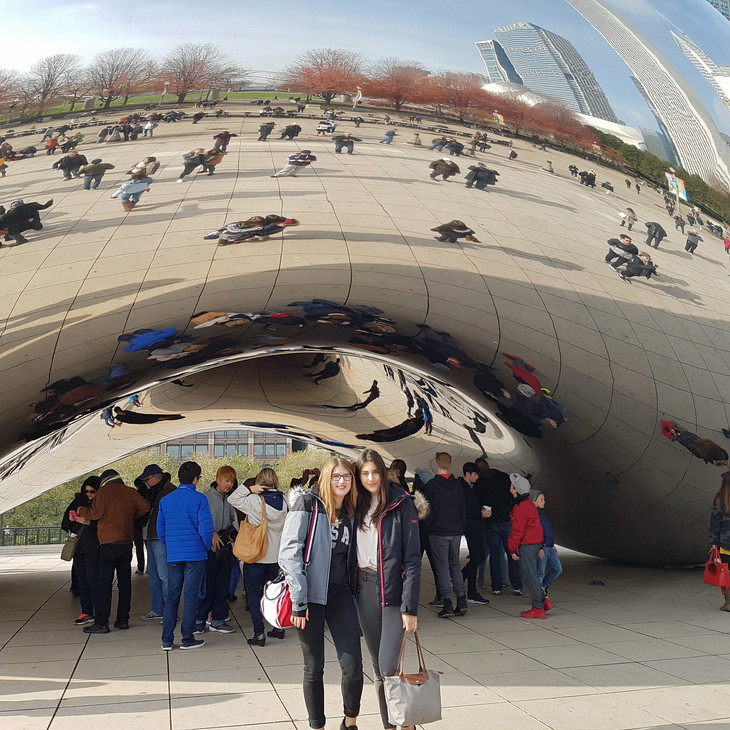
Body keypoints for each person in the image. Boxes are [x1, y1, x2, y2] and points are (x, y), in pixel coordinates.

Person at [278, 457, 363, 730]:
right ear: (326, 478)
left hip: (341, 594)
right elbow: (289, 553)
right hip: (310, 596)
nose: (342, 481)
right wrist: (299, 601)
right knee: (314, 668)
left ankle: (349, 722)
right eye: (336, 476)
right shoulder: (308, 504)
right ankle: (317, 726)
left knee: (353, 666)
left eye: (347, 477)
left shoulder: (352, 510)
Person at [354, 449, 422, 730]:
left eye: (375, 472)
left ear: (384, 473)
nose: (370, 478)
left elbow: (413, 559)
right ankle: (390, 725)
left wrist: (410, 607)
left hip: (393, 594)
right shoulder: (354, 504)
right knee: (378, 669)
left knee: (388, 667)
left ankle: (405, 723)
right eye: (364, 473)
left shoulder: (401, 503)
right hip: (364, 589)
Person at [73, 469, 150, 634]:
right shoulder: (130, 491)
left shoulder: (103, 492)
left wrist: (81, 510)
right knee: (125, 583)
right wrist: (130, 516)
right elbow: (145, 506)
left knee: (104, 584)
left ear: (105, 481)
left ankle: (102, 622)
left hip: (108, 543)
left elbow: (95, 514)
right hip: (126, 543)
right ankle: (123, 620)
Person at [228, 467, 289, 646]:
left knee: (254, 594)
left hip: (255, 556)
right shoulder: (285, 501)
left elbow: (233, 499)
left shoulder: (254, 500)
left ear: (259, 482)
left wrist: (248, 489)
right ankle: (278, 627)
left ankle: (259, 633)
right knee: (274, 594)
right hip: (276, 557)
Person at [157, 461, 214, 650]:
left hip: (174, 555)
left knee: (172, 597)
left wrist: (171, 545)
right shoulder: (200, 500)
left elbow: (160, 529)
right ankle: (187, 638)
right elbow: (206, 529)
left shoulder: (166, 500)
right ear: (196, 479)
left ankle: (166, 639)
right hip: (195, 555)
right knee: (191, 598)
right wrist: (204, 547)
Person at [422, 452, 468, 618]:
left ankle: (447, 601)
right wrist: (461, 526)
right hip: (455, 531)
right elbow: (462, 508)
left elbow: (428, 510)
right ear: (450, 464)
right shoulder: (457, 485)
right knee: (455, 564)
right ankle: (461, 599)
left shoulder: (432, 485)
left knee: (442, 567)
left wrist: (428, 529)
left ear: (436, 464)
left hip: (438, 532)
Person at [195, 466, 238, 635]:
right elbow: (199, 521)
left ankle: (219, 619)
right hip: (208, 549)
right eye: (227, 480)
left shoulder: (229, 500)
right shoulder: (205, 498)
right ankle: (199, 620)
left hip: (224, 547)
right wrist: (211, 534)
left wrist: (231, 535)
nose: (229, 484)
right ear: (218, 480)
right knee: (206, 585)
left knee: (222, 585)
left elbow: (230, 521)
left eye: (232, 481)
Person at [136, 465, 177, 622]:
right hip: (151, 536)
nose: (145, 482)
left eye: (147, 479)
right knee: (153, 575)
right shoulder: (155, 492)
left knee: (164, 575)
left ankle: (169, 611)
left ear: (156, 477)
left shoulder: (169, 491)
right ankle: (158, 609)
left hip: (160, 538)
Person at [476, 459, 522, 596]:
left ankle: (496, 586)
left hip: (491, 522)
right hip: (507, 520)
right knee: (512, 553)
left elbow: (478, 500)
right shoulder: (504, 477)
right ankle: (517, 586)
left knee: (495, 555)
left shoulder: (480, 482)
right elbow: (513, 494)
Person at [62, 476, 101, 625]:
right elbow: (65, 521)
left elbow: (105, 522)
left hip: (94, 548)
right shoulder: (79, 502)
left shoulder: (101, 503)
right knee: (83, 581)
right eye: (86, 491)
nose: (89, 494)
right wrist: (73, 520)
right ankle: (87, 612)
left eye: (93, 491)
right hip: (79, 548)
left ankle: (100, 613)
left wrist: (89, 522)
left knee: (94, 581)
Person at [507, 473, 545, 619]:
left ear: (515, 490)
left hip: (527, 544)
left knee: (530, 577)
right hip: (534, 542)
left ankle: (538, 608)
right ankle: (543, 601)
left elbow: (517, 531)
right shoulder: (528, 504)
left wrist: (512, 548)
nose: (509, 487)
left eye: (511, 486)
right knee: (532, 575)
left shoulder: (520, 507)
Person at [458, 462, 489, 605]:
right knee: (478, 556)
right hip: (471, 526)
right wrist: (479, 513)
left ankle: (460, 580)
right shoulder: (461, 488)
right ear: (468, 474)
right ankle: (471, 591)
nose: (477, 477)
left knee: (479, 556)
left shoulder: (470, 487)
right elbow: (463, 509)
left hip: (475, 525)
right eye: (475, 474)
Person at [534, 491, 561, 611]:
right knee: (540, 573)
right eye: (541, 499)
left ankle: (543, 588)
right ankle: (538, 598)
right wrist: (540, 547)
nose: (544, 502)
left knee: (558, 569)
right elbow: (536, 532)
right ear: (534, 500)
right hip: (543, 548)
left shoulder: (542, 513)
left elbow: (546, 530)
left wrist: (551, 544)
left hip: (549, 547)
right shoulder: (534, 515)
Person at [709, 472, 730, 611]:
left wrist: (713, 543)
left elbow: (715, 524)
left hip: (725, 544)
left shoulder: (720, 499)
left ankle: (728, 602)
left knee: (726, 573)